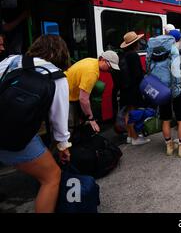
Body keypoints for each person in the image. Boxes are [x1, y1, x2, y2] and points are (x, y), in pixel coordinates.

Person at [0, 35, 71, 213]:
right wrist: (63, 147)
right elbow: (59, 121)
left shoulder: (11, 60)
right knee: (52, 177)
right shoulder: (57, 76)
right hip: (14, 135)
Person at [146, 28, 181, 158]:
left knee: (165, 119)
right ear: (178, 40)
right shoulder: (175, 51)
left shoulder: (154, 49)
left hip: (161, 89)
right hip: (175, 90)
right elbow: (179, 73)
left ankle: (169, 146)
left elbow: (147, 67)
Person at [65, 50, 120, 132]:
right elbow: (83, 99)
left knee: (73, 125)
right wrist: (91, 119)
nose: (110, 69)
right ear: (102, 59)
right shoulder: (92, 72)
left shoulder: (92, 61)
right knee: (68, 128)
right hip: (65, 96)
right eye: (110, 66)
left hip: (68, 93)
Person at [119, 31, 150, 146]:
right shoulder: (133, 55)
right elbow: (138, 75)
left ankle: (129, 136)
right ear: (135, 44)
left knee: (128, 112)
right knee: (133, 113)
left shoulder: (123, 56)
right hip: (133, 89)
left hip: (125, 89)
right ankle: (135, 137)